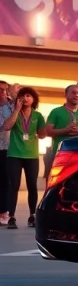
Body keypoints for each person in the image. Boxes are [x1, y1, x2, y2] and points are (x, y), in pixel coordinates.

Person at [2, 87, 46, 229]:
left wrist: (45, 128)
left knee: (32, 186)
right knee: (13, 185)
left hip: (32, 155)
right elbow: (7, 127)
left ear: (34, 99)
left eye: (28, 96)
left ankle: (32, 215)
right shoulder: (14, 113)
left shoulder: (38, 116)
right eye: (22, 96)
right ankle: (11, 217)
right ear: (18, 99)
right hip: (14, 154)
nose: (25, 98)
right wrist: (16, 110)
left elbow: (43, 135)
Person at [44, 84, 78, 179]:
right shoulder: (56, 112)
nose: (76, 95)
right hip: (60, 154)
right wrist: (65, 130)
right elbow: (48, 132)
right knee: (57, 182)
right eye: (73, 93)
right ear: (66, 95)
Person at [0, 81, 12, 226]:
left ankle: (4, 212)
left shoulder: (12, 106)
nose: (2, 92)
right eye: (0, 89)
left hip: (8, 149)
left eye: (5, 90)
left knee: (5, 182)